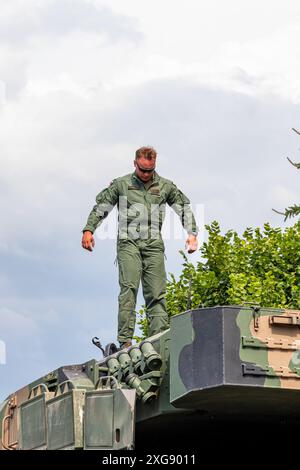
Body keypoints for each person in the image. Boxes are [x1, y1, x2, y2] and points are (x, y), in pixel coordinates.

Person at [82, 146, 198, 349]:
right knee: (129, 290)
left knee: (156, 294)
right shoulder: (121, 184)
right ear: (134, 163)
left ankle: (158, 341)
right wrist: (89, 230)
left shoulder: (165, 186)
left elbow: (183, 208)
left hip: (153, 245)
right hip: (129, 244)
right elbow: (101, 208)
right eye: (142, 170)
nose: (146, 175)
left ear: (154, 166)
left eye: (150, 171)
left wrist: (191, 234)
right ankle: (126, 342)